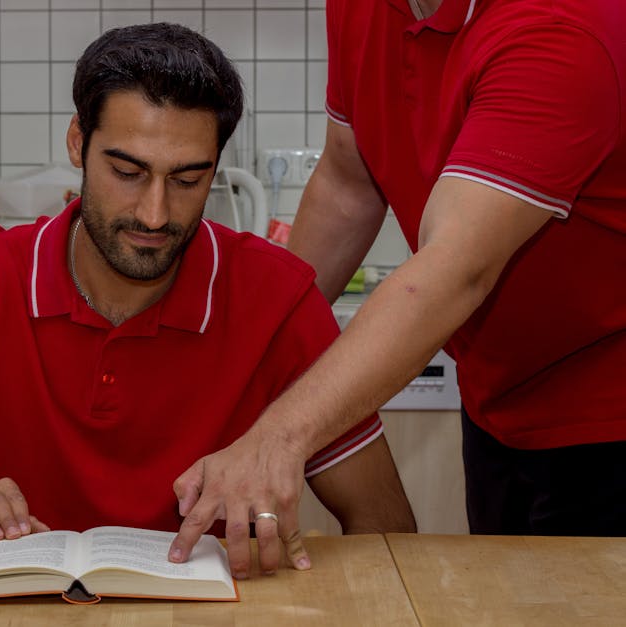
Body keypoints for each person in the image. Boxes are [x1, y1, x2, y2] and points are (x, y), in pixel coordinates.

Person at [0, 22, 416, 577]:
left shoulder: (280, 299)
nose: (155, 214)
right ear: (78, 143)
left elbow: (387, 528)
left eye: (187, 180)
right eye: (126, 172)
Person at [168, 0, 626, 573]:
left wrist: (278, 437)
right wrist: (248, 354)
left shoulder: (561, 28)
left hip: (608, 407)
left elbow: (454, 268)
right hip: (497, 394)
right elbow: (347, 182)